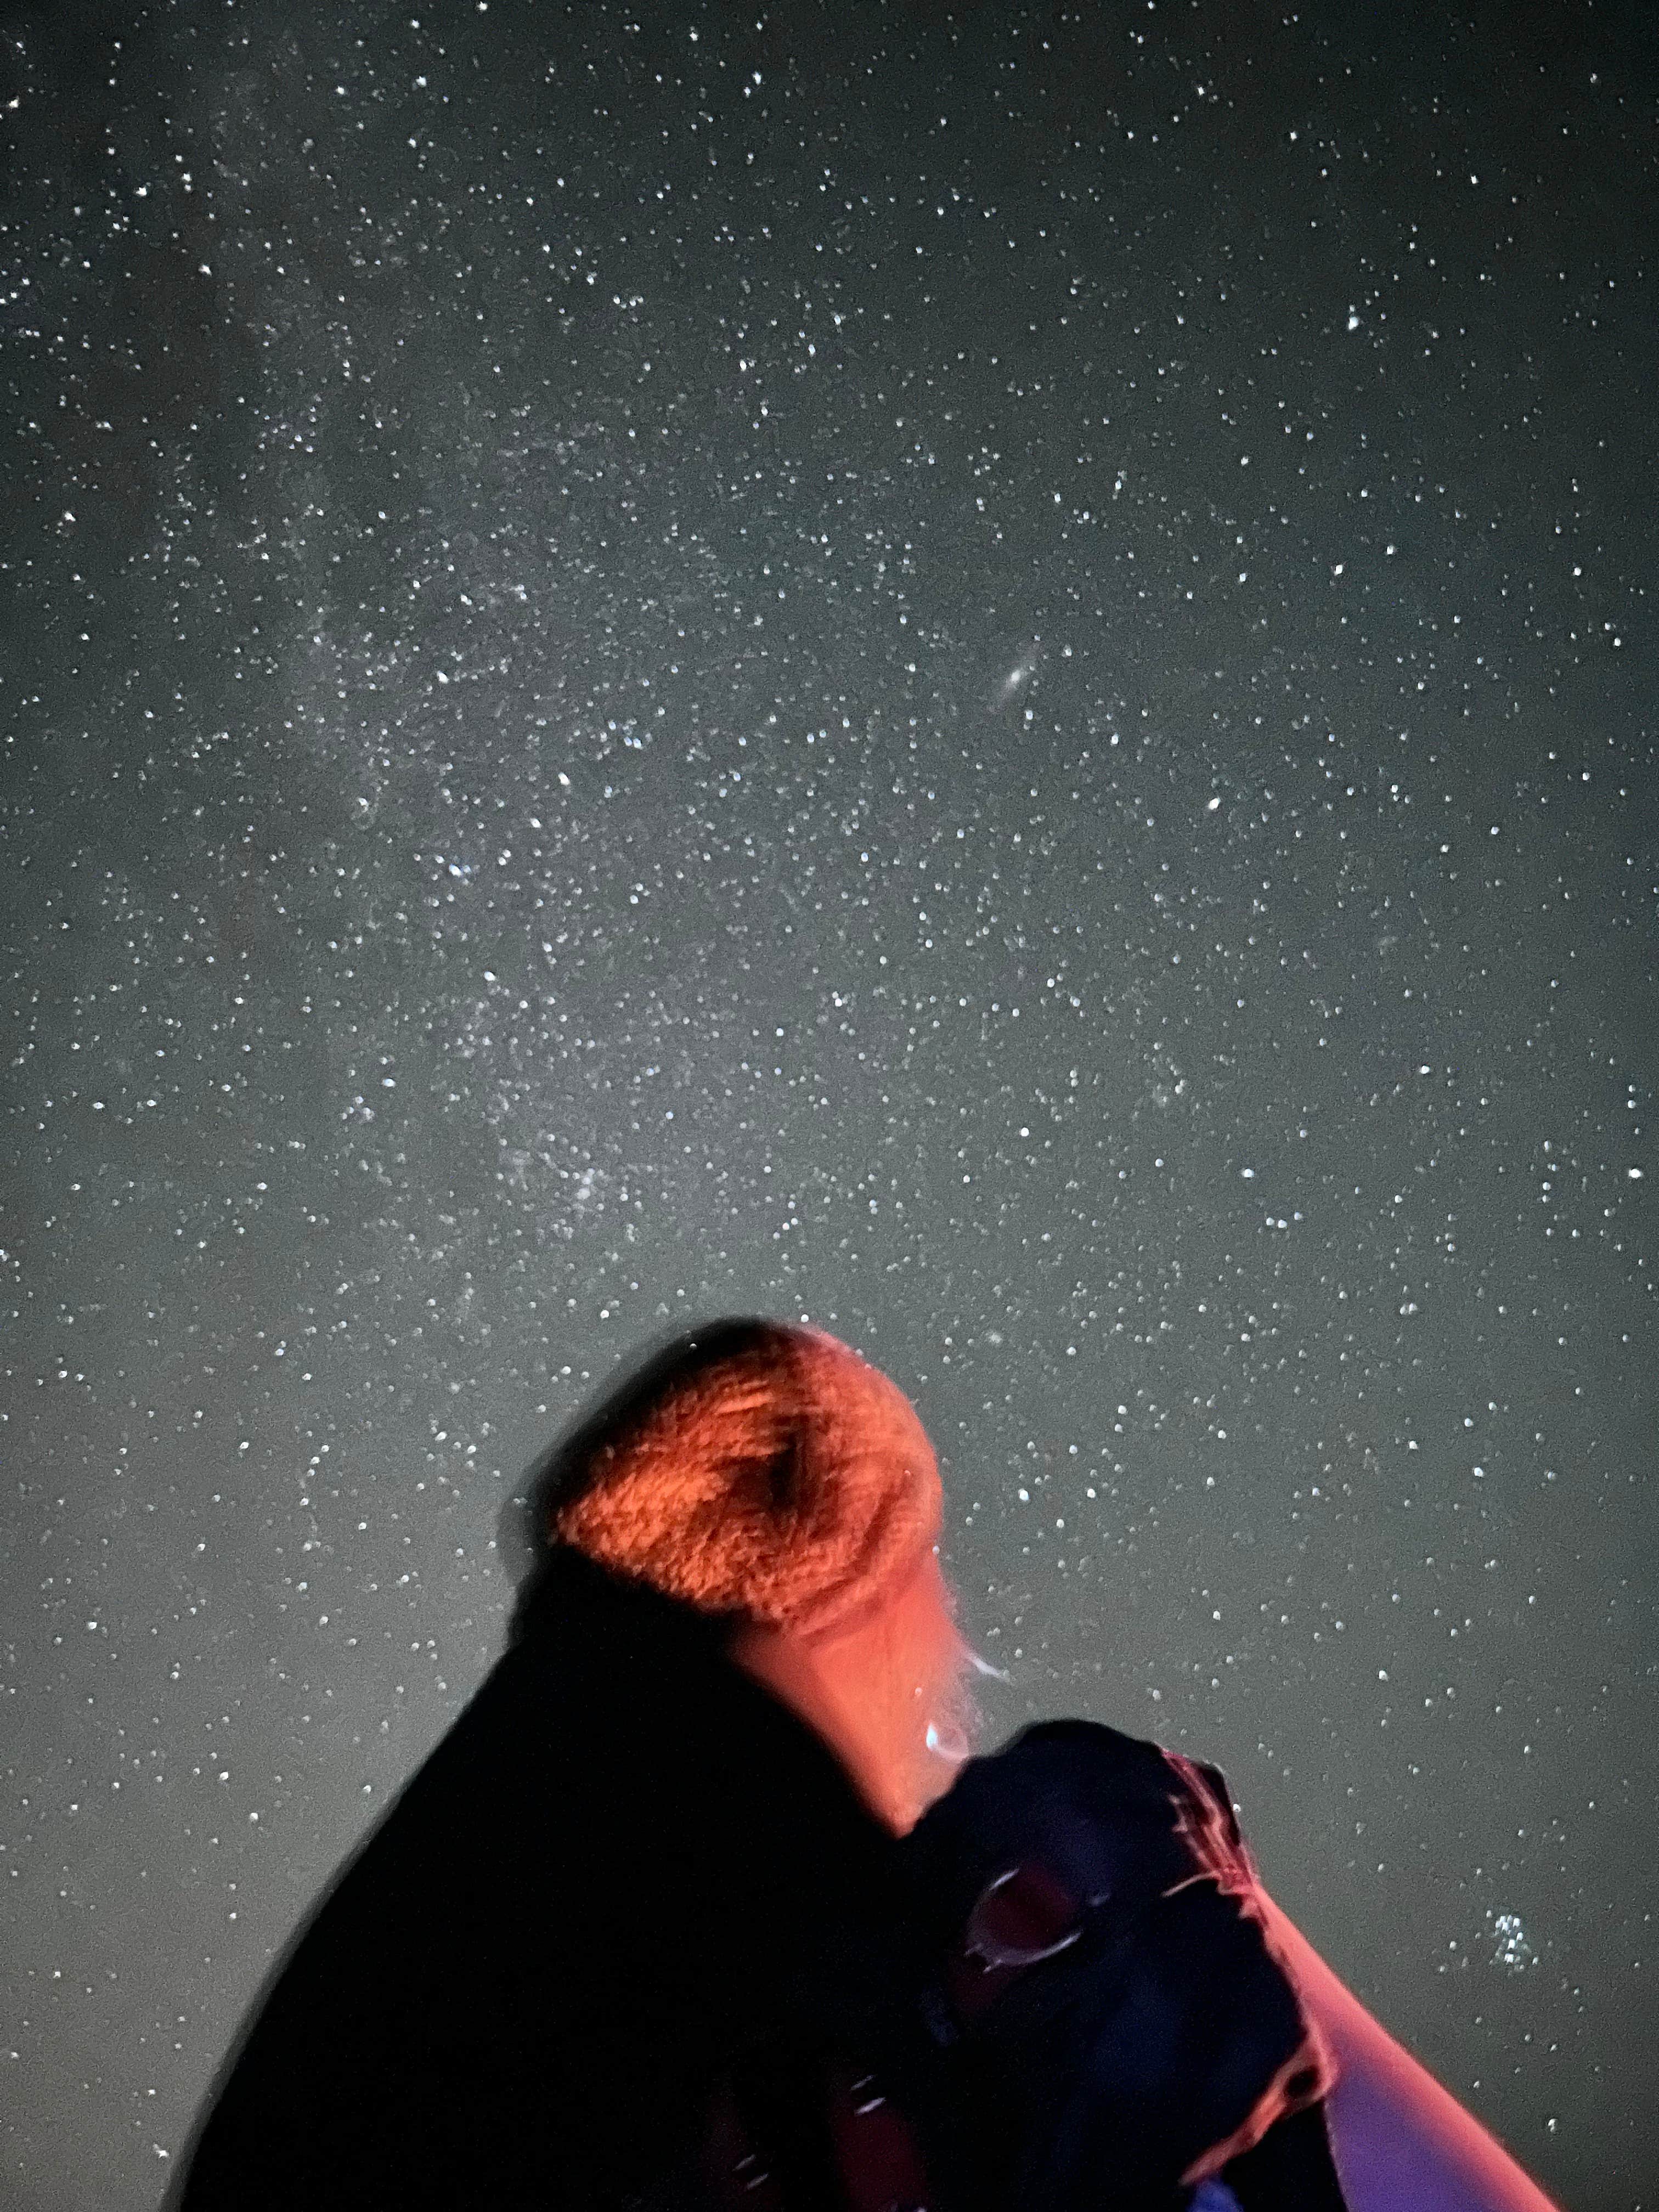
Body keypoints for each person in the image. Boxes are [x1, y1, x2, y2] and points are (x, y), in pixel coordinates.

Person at [173, 1319, 1560, 2211]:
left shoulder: (448, 1898)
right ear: (859, 1572)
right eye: (930, 1562)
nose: (952, 1633)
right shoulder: (928, 1906)